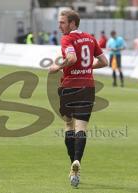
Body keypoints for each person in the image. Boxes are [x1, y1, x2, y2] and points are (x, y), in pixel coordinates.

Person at [49, 9, 108, 187]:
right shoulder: (90, 38)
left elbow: (72, 57)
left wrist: (57, 67)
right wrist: (87, 68)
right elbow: (104, 61)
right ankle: (77, 162)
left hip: (69, 87)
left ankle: (72, 165)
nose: (59, 26)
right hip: (88, 87)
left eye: (62, 23)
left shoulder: (67, 38)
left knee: (68, 125)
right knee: (81, 127)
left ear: (72, 23)